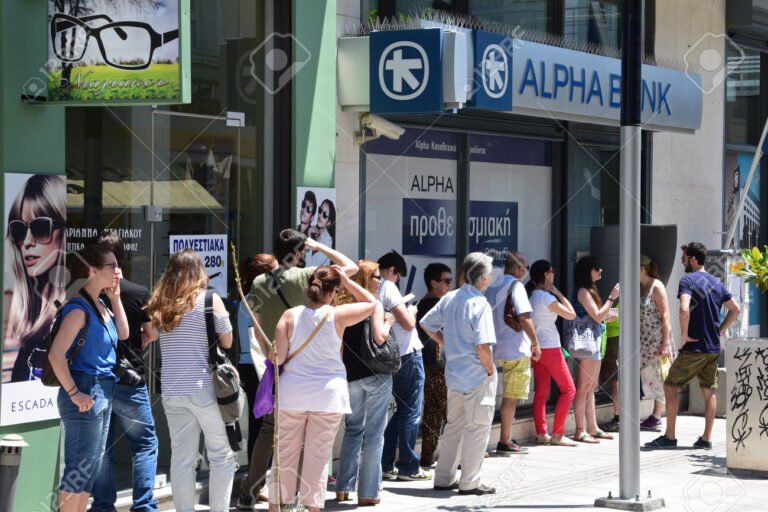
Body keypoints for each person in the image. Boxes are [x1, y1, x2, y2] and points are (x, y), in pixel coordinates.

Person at [237, 229, 357, 510]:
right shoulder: (308, 276)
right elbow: (350, 268)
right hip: (310, 368)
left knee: (271, 432)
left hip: (277, 364)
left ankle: (251, 492)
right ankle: (302, 498)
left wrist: (271, 354)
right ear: (300, 252)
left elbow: (254, 326)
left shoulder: (259, 282)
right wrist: (322, 248)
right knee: (308, 436)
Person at [268, 265, 376, 511]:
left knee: (284, 456)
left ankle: (275, 507)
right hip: (328, 396)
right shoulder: (338, 315)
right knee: (318, 459)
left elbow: (278, 358)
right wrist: (347, 280)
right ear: (334, 292)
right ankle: (313, 508)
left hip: (292, 394)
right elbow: (371, 302)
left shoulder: (289, 315)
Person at [145, 249, 237, 512]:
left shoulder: (160, 304)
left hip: (172, 391)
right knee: (221, 456)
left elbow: (151, 335)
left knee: (182, 459)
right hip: (206, 390)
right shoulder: (210, 300)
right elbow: (227, 341)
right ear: (199, 271)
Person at [48, 243, 128, 512]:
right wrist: (74, 392)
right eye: (112, 266)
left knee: (90, 468)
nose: (118, 270)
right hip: (85, 388)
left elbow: (124, 334)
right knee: (78, 469)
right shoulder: (79, 308)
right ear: (92, 270)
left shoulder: (102, 304)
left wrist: (116, 298)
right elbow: (56, 355)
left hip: (102, 390)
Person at [646, 243, 740, 449]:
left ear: (694, 260)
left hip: (694, 347)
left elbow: (683, 309)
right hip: (713, 348)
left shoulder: (687, 281)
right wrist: (720, 330)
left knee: (670, 386)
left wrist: (685, 335)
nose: (682, 261)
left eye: (685, 257)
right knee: (709, 391)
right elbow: (736, 309)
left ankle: (669, 437)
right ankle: (706, 439)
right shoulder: (717, 283)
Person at [91, 231, 159, 512]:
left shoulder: (86, 292)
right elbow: (153, 332)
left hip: (97, 378)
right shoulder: (139, 292)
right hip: (130, 379)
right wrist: (144, 337)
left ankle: (103, 505)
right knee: (144, 444)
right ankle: (143, 506)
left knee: (101, 448)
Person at [420, 252, 497, 496]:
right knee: (477, 427)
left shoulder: (451, 297)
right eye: (489, 273)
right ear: (483, 277)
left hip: (454, 373)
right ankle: (470, 481)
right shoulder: (480, 304)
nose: (491, 277)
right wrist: (490, 369)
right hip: (475, 373)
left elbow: (426, 323)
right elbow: (483, 347)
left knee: (453, 426)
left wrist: (447, 343)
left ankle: (444, 477)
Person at [335, 260, 396, 506]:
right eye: (377, 276)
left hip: (351, 375)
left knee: (352, 430)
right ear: (366, 279)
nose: (380, 281)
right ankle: (368, 492)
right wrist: (390, 322)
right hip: (376, 374)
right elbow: (380, 338)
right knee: (374, 434)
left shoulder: (340, 304)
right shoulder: (374, 304)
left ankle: (343, 488)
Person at [4, 175, 66, 383]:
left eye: (40, 228)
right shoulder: (23, 321)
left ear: (63, 232)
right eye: (19, 230)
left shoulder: (69, 311)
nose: (27, 242)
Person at [377, 250, 429, 481]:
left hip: (392, 358)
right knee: (411, 412)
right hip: (408, 355)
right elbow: (408, 324)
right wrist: (412, 311)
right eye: (398, 276)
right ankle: (409, 466)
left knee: (401, 412)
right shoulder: (388, 287)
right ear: (392, 271)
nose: (398, 280)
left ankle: (386, 463)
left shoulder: (374, 288)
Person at [485, 252, 541, 454]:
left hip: (491, 347)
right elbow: (524, 317)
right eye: (525, 268)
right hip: (515, 348)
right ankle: (505, 439)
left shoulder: (492, 286)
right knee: (510, 397)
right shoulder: (516, 286)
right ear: (519, 269)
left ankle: (483, 442)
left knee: (488, 397)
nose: (526, 273)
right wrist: (535, 343)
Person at [526, 260, 577, 447]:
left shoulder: (531, 296)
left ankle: (542, 433)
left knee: (541, 392)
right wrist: (559, 294)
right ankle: (558, 434)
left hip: (536, 348)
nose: (554, 274)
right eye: (552, 271)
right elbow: (571, 314)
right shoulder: (547, 298)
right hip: (551, 348)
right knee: (569, 390)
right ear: (546, 275)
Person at [571, 256, 619, 444]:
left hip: (596, 342)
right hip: (587, 344)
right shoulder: (583, 291)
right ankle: (580, 429)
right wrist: (611, 298)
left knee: (591, 387)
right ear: (587, 271)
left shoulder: (589, 291)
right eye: (596, 268)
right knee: (583, 387)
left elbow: (597, 317)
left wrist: (608, 313)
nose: (600, 271)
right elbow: (597, 316)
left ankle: (592, 427)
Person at [237, 254, 278, 460]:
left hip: (249, 364)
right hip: (260, 365)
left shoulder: (246, 300)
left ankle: (258, 475)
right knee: (265, 424)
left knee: (260, 423)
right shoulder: (257, 302)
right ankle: (260, 475)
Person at [416, 262, 452, 469]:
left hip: (428, 363)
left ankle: (428, 456)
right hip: (437, 364)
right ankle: (453, 457)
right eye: (445, 281)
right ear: (433, 283)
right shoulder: (437, 305)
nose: (449, 284)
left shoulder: (423, 304)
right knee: (450, 412)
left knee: (433, 411)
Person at [638, 254, 674, 431]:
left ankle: (657, 415)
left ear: (642, 268)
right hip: (644, 342)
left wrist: (665, 344)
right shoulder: (639, 287)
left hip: (658, 340)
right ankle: (654, 415)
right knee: (649, 377)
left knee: (659, 377)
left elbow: (666, 315)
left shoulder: (656, 286)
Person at [598, 307, 620, 433]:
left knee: (615, 380)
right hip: (619, 336)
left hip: (613, 337)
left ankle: (618, 419)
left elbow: (612, 316)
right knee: (617, 380)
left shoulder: (615, 292)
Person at [306, 199, 336, 267]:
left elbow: (309, 265)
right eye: (320, 210)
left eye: (325, 215)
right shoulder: (317, 233)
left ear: (329, 222)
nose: (320, 215)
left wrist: (309, 234)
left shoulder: (327, 241)